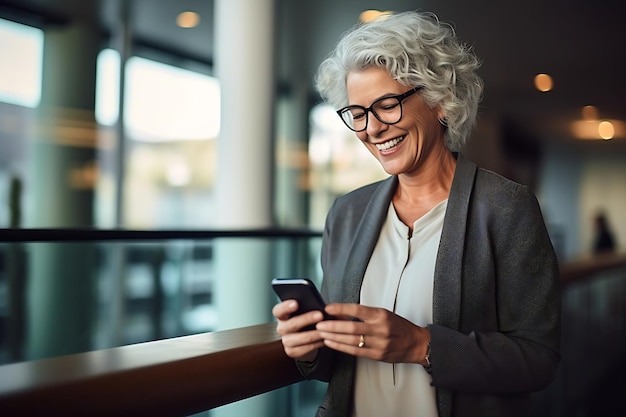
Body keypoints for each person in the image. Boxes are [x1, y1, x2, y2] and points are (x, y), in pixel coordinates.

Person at [273, 11, 561, 417]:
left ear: (441, 101)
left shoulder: (505, 207)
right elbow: (339, 363)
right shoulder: (347, 213)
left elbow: (538, 359)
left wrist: (421, 346)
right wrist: (309, 348)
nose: (372, 128)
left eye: (387, 105)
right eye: (357, 113)